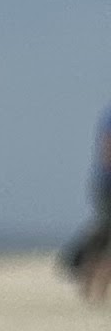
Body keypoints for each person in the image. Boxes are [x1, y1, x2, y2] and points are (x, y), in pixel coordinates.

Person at [65, 105, 111, 298]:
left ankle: (96, 293)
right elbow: (106, 150)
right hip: (106, 185)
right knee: (104, 234)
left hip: (103, 183)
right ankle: (91, 291)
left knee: (104, 236)